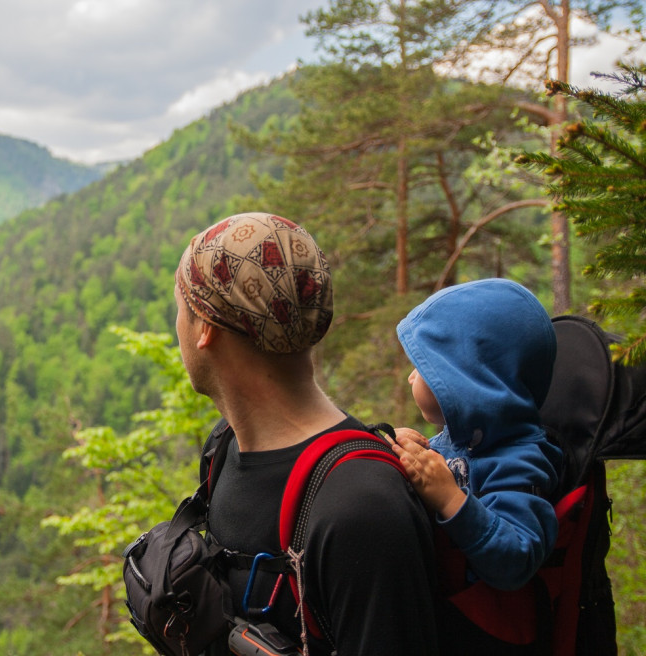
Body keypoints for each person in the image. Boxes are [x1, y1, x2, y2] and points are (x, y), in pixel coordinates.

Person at [174, 212, 439, 656]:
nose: (177, 327)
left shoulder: (364, 508)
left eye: (180, 311)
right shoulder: (225, 445)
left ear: (204, 328)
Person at [391, 278, 563, 652]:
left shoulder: (521, 461)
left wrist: (452, 499)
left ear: (469, 379)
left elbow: (517, 559)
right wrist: (397, 447)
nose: (411, 376)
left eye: (423, 366)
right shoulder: (457, 440)